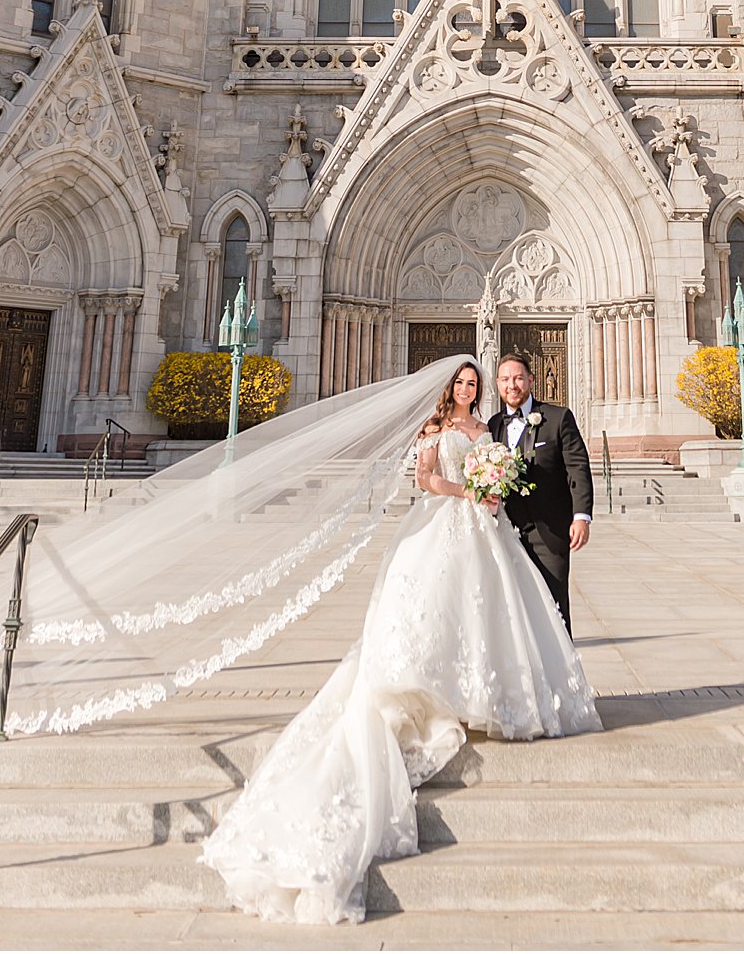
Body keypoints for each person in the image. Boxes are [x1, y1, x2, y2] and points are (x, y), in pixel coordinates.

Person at [199, 358, 600, 922]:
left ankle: (486, 694)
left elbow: (540, 472)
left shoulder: (491, 430)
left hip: (496, 530)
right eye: (464, 383)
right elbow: (426, 479)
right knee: (438, 610)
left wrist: (510, 494)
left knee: (494, 614)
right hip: (449, 522)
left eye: (476, 383)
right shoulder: (435, 431)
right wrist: (469, 493)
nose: (472, 388)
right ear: (448, 389)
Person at [486, 349, 593, 633]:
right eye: (506, 379)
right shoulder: (493, 425)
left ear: (531, 380)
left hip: (549, 532)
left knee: (554, 606)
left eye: (518, 378)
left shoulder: (558, 418)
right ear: (497, 384)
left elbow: (577, 468)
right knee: (511, 612)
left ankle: (561, 674)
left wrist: (581, 516)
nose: (512, 385)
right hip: (505, 532)